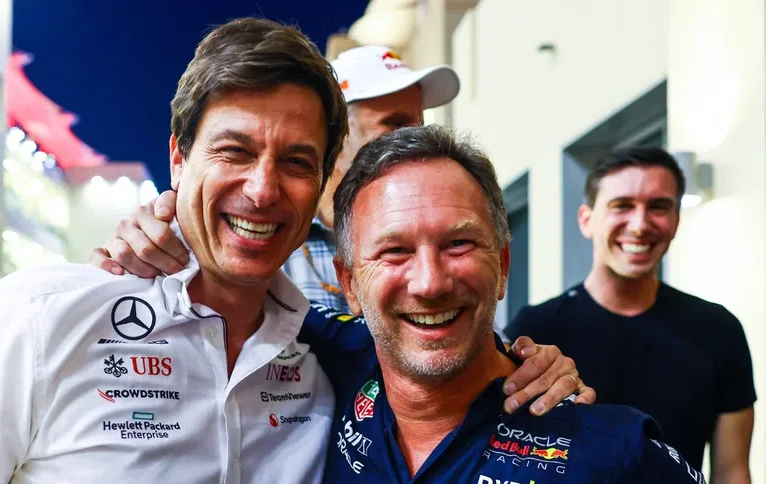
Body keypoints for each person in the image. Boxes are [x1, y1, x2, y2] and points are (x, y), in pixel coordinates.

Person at [0, 19, 586, 484]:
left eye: (295, 161)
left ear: (320, 180)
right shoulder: (34, 320)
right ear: (179, 158)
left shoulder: (326, 357)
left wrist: (526, 366)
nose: (263, 190)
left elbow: (435, 358)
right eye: (234, 151)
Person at [291, 125, 706, 482]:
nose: (430, 284)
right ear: (349, 282)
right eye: (395, 251)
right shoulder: (334, 353)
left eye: (459, 243)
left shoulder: (615, 453)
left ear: (503, 265)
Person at [94, 44, 459, 314]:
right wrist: (142, 247)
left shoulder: (434, 232)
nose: (262, 191)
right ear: (338, 137)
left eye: (419, 125)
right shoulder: (262, 234)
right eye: (396, 126)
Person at [503, 146, 757, 482]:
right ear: (586, 220)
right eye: (622, 205)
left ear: (676, 220)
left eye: (658, 206)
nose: (639, 225)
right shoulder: (535, 330)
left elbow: (732, 471)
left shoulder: (718, 330)